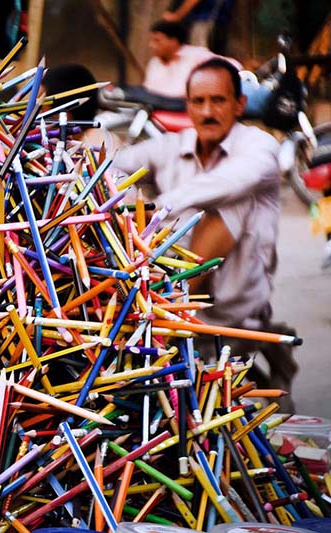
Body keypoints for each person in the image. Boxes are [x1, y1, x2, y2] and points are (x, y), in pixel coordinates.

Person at [113, 57, 298, 411]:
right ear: (187, 106)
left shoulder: (259, 146)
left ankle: (174, 312)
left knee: (229, 201)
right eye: (198, 102)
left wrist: (158, 211)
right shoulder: (173, 146)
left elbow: (232, 181)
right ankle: (264, 354)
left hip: (234, 306)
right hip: (186, 305)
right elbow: (113, 164)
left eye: (219, 100)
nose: (208, 111)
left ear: (239, 104)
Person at [143, 20, 221, 99]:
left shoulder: (197, 55)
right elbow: (149, 90)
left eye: (157, 41)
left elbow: (230, 64)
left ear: (173, 41)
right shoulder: (154, 62)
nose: (151, 45)